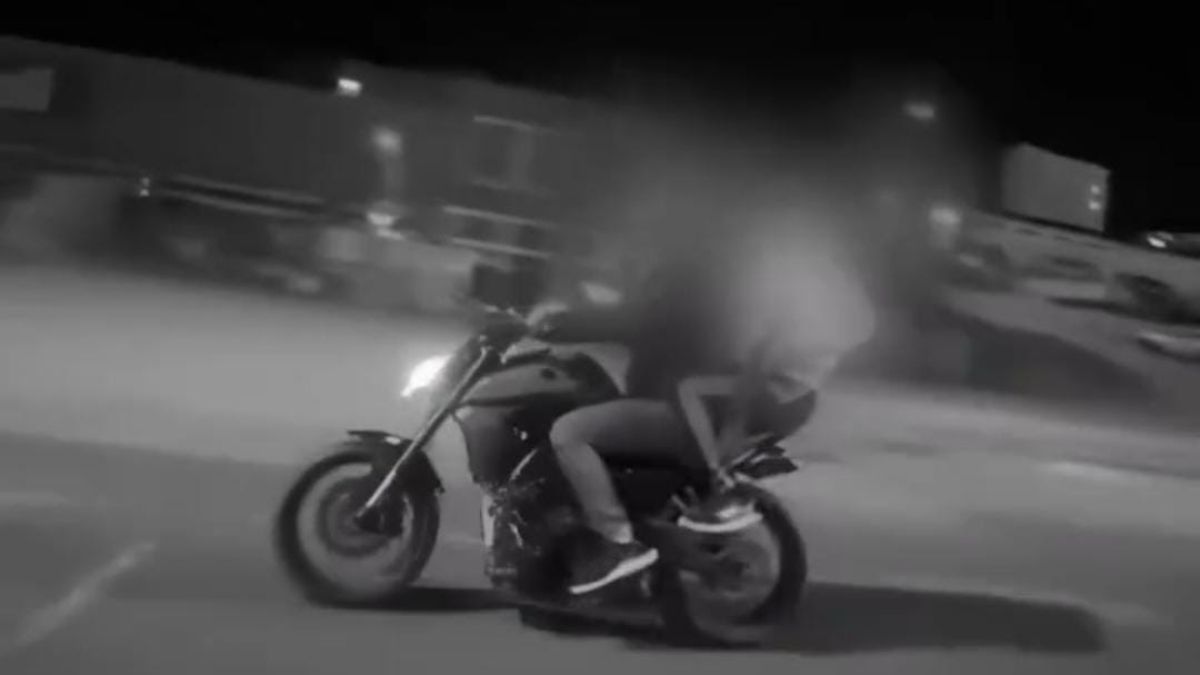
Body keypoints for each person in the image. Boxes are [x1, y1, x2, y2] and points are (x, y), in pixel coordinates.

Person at [541, 188, 877, 596]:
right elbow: (637, 318)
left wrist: (562, 324)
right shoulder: (696, 270)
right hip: (688, 396)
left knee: (570, 433)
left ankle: (616, 542)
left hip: (688, 405)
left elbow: (644, 321)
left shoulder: (694, 274)